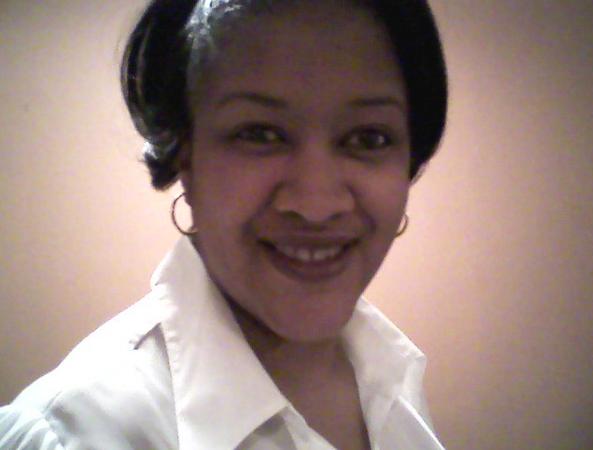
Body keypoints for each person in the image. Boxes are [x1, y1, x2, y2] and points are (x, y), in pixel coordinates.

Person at [0, 0, 447, 448]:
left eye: (369, 138)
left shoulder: (389, 373)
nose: (316, 204)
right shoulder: (72, 434)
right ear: (185, 155)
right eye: (259, 134)